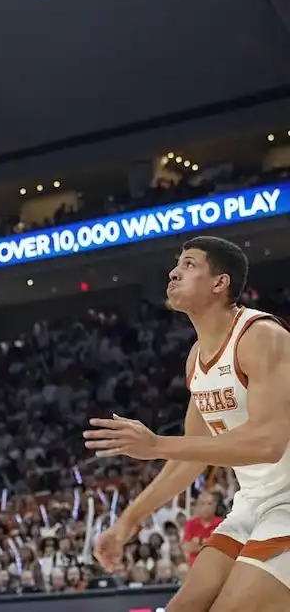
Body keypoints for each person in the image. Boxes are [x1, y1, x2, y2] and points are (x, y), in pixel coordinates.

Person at [84, 236, 290, 612]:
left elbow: (268, 443)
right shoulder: (197, 357)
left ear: (220, 282)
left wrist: (156, 444)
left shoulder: (262, 336)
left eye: (189, 264)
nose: (173, 273)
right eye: (177, 264)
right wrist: (127, 521)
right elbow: (191, 456)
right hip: (253, 502)